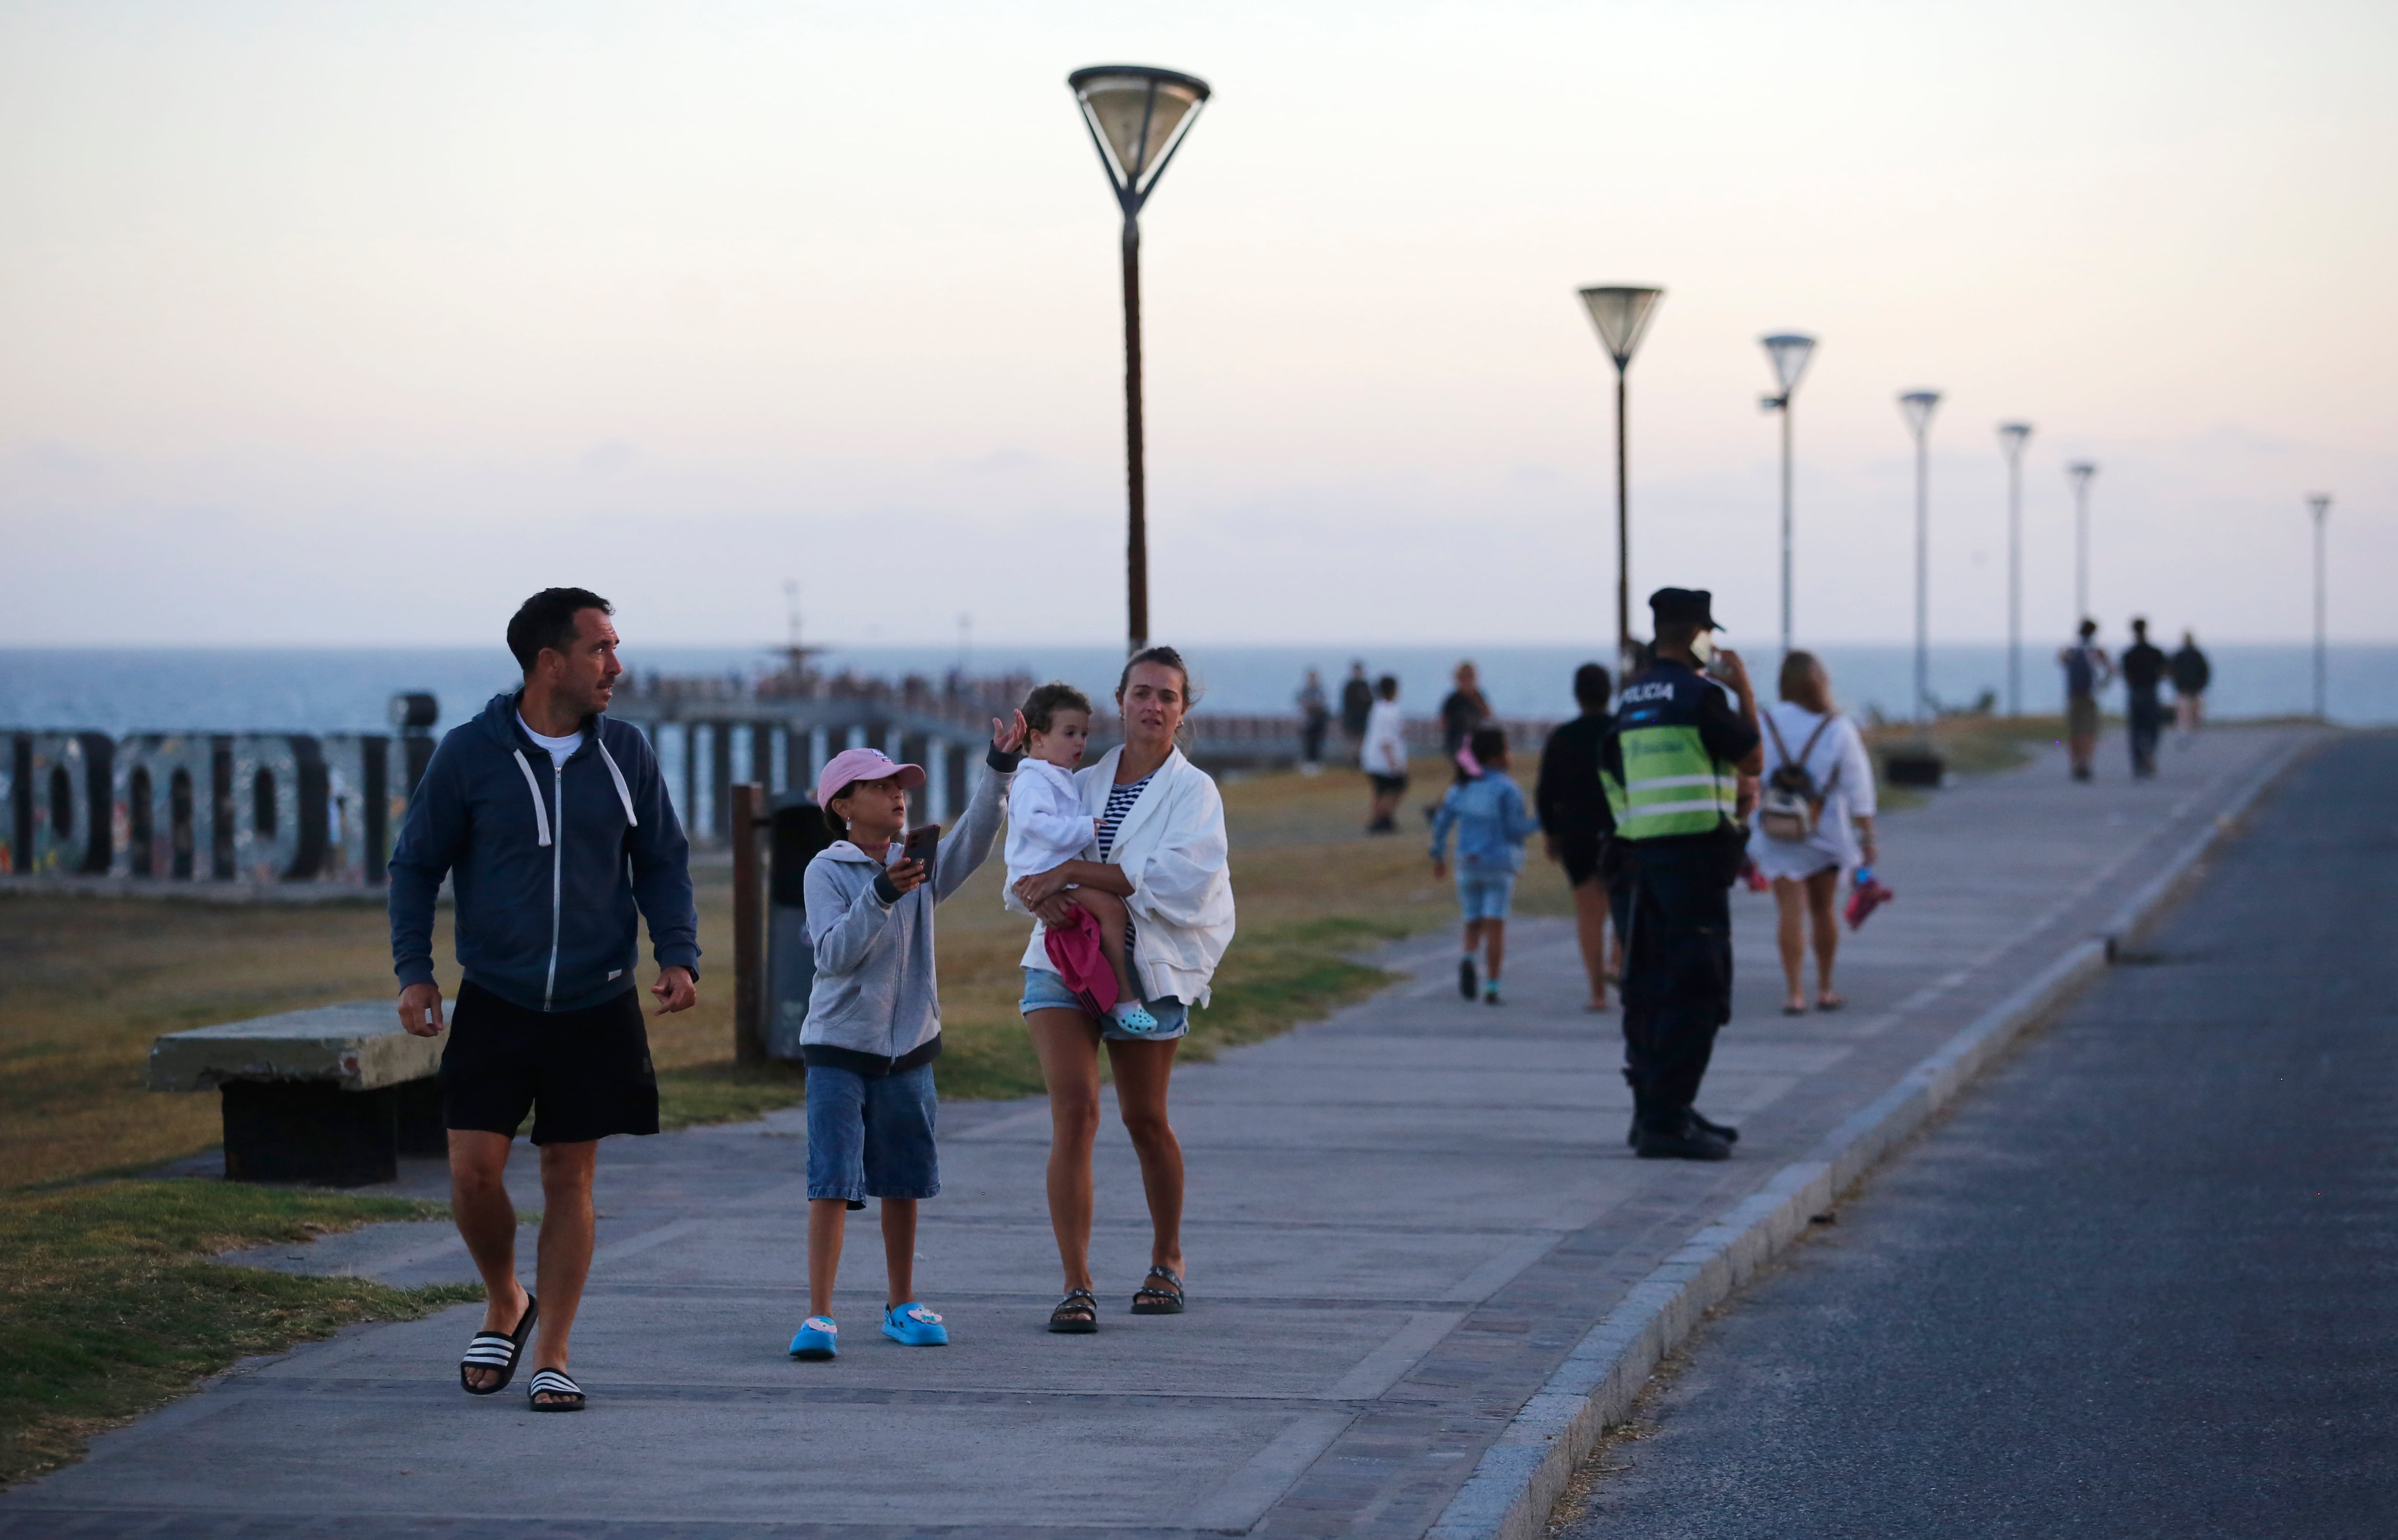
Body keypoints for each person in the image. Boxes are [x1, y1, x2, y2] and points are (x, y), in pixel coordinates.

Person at [392, 588, 699, 1413]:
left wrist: (677, 953)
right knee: (473, 1174)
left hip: (597, 1001)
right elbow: (417, 864)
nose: (617, 665)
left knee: (571, 1173)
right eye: (600, 648)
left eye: (615, 646)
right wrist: (414, 971)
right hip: (497, 996)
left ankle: (553, 1352)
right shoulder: (469, 755)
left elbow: (661, 860)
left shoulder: (626, 752)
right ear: (548, 662)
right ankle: (506, 1298)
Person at [1011, 647, 1234, 1333]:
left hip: (1148, 965)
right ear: (1120, 700)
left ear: (1182, 709)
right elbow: (1027, 848)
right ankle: (1076, 1284)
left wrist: (1077, 872)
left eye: (1167, 696)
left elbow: (1177, 880)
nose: (1153, 705)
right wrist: (1044, 895)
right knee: (1075, 1113)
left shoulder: (1193, 792)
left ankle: (1168, 1257)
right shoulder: (1080, 777)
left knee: (1145, 1118)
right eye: (1141, 692)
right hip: (1061, 957)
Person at [787, 720, 1024, 1363]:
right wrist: (882, 894)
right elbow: (834, 954)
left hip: (910, 1050)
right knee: (833, 1180)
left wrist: (999, 766)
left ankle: (901, 1303)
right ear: (843, 805)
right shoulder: (826, 870)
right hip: (839, 1049)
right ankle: (819, 1314)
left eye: (902, 786)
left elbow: (975, 836)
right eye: (881, 786)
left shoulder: (915, 865)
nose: (898, 796)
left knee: (903, 1181)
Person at [1600, 588, 1762, 1162]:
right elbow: (1752, 760)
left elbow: (1612, 770)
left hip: (1639, 860)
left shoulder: (1631, 696)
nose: (1712, 644)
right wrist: (1742, 686)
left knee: (1649, 987)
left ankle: (1659, 1108)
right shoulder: (1702, 695)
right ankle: (1666, 1122)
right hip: (1692, 860)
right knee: (1699, 987)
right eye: (1708, 634)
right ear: (1696, 634)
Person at [1005, 682, 1158, 1035]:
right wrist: (1083, 828)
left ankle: (1098, 990)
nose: (1080, 743)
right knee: (1112, 910)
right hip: (1043, 873)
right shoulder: (1031, 781)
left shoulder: (1058, 777)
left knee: (1087, 925)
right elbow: (1035, 824)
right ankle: (1124, 998)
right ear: (1038, 738)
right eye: (1070, 733)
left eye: (1085, 734)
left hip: (1055, 874)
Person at [1748, 652, 1879, 1015]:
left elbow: (1751, 775)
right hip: (1825, 831)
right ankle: (1824, 987)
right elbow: (1859, 787)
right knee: (1823, 910)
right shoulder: (1837, 728)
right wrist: (1867, 836)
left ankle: (1794, 992)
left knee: (1789, 908)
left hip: (1777, 828)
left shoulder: (1765, 722)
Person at [1431, 725, 1541, 1005]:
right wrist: (1542, 820)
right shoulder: (1507, 788)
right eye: (1506, 749)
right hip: (1499, 864)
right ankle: (1492, 985)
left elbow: (1442, 823)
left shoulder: (1460, 787)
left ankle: (1468, 957)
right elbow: (1516, 829)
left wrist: (1439, 854)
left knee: (1472, 921)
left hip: (1467, 863)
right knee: (1496, 926)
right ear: (1495, 757)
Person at [1536, 662, 1619, 1011]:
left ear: (1577, 695)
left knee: (1588, 913)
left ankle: (1596, 992)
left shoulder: (1562, 737)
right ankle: (1617, 960)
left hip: (1576, 833)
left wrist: (1552, 832)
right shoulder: (1622, 731)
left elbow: (1545, 792)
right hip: (1621, 830)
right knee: (1621, 905)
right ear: (1610, 691)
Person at [2059, 620, 2113, 782]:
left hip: (2074, 695)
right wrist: (2103, 685)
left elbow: (2062, 662)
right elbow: (2109, 669)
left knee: (2075, 731)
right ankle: (2086, 763)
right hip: (2090, 695)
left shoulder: (2071, 650)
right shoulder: (2096, 652)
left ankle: (2075, 764)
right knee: (2089, 731)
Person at [2120, 618, 2168, 779]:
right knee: (2152, 728)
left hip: (2135, 693)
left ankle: (2139, 763)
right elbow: (2164, 671)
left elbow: (2125, 675)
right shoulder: (2155, 652)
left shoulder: (2129, 654)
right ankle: (2149, 755)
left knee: (2136, 730)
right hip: (2150, 692)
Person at [1360, 675, 1408, 834]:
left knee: (1381, 792)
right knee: (1397, 787)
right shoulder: (1390, 711)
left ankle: (1379, 819)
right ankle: (1382, 819)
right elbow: (1386, 739)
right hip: (1384, 760)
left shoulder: (1377, 708)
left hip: (1372, 758)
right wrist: (1392, 761)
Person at [1438, 660, 1491, 761]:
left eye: (1470, 677)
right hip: (1457, 741)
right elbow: (1443, 722)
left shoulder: (1479, 697)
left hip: (1478, 740)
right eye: (1464, 678)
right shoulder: (1453, 700)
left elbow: (1488, 715)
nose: (1467, 681)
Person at [2172, 631, 2211, 741]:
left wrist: (2200, 686)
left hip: (2193, 690)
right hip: (2188, 690)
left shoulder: (2191, 656)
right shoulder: (2190, 656)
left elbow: (2205, 672)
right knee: (2185, 714)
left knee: (2194, 714)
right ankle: (2188, 735)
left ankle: (2192, 736)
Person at [1296, 669, 1330, 776]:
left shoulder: (1320, 690)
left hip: (1319, 720)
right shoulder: (1305, 691)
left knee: (1318, 742)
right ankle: (1308, 764)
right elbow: (1302, 703)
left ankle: (1317, 763)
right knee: (1308, 743)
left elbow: (1322, 704)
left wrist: (1314, 706)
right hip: (1308, 721)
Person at [1339, 662, 1375, 760]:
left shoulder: (1365, 686)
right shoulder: (1350, 686)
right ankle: (1351, 760)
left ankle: (1360, 760)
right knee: (1351, 741)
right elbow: (1346, 704)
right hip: (1352, 718)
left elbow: (1370, 702)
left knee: (1362, 741)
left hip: (1363, 718)